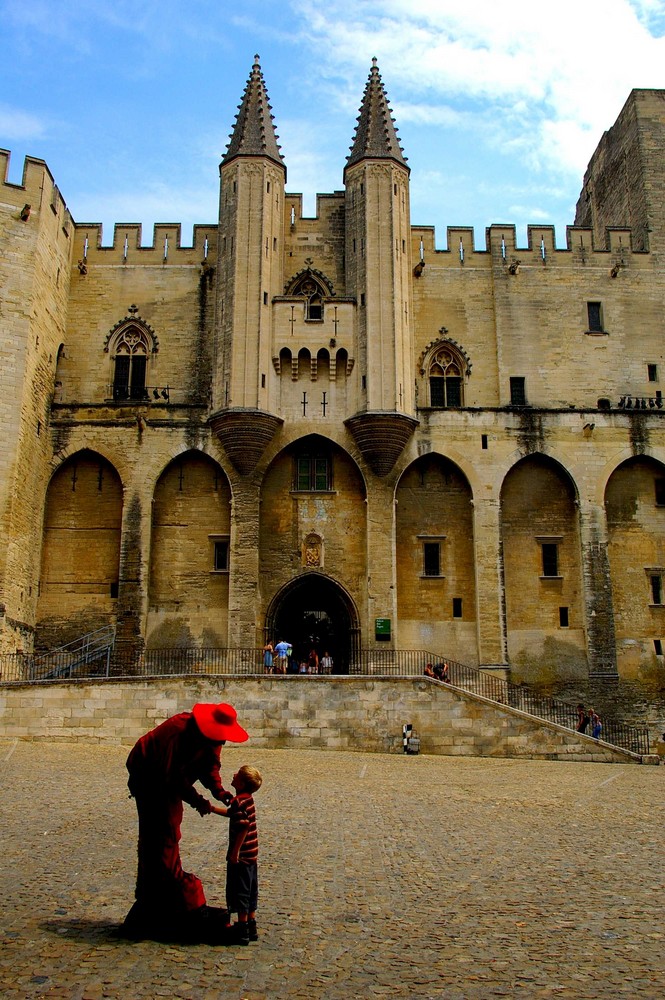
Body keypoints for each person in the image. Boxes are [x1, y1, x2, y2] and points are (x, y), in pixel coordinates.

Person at [121, 702, 248, 943]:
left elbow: (210, 766)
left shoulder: (212, 739)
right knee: (161, 835)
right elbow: (171, 778)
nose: (222, 742)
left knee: (166, 836)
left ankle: (156, 904)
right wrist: (198, 800)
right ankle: (169, 902)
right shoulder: (179, 731)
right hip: (148, 776)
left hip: (166, 778)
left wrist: (220, 792)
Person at [211, 765, 262, 946]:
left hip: (242, 856)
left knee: (240, 891)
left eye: (237, 775)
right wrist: (211, 808)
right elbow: (231, 814)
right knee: (251, 889)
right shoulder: (246, 799)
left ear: (240, 783)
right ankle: (251, 925)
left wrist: (234, 853)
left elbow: (242, 826)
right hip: (252, 854)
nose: (233, 774)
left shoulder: (238, 802)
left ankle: (241, 930)